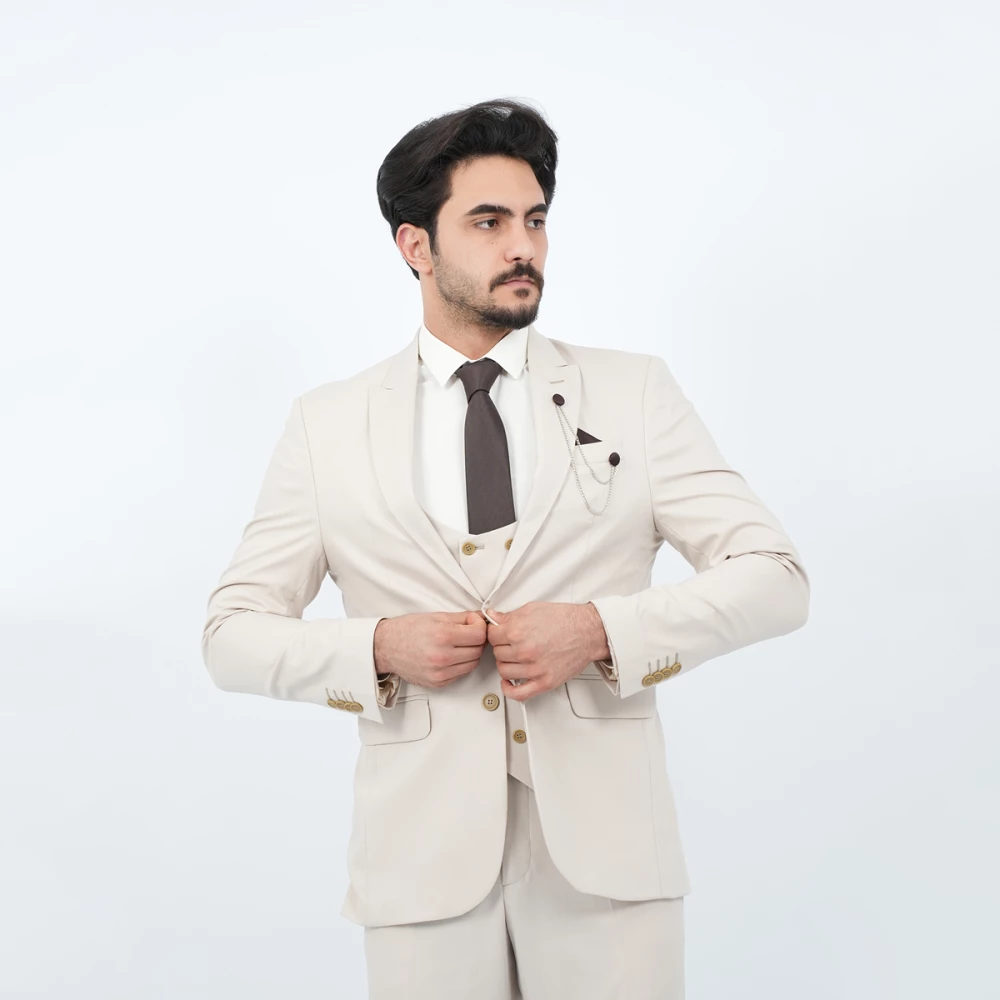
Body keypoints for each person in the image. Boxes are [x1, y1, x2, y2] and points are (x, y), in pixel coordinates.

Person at [201, 97, 810, 1000]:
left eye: (534, 219)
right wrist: (377, 648)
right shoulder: (327, 426)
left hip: (610, 862)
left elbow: (775, 579)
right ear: (415, 245)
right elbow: (232, 635)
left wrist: (600, 631)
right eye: (487, 222)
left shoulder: (634, 392)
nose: (522, 245)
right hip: (420, 863)